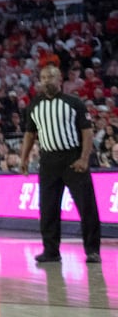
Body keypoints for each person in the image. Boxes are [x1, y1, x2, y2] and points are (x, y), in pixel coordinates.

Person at [21, 63, 101, 264]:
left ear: (60, 80)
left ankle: (92, 250)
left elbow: (87, 132)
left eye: (52, 76)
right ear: (40, 81)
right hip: (48, 161)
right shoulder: (34, 104)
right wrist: (23, 158)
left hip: (72, 158)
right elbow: (30, 134)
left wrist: (84, 158)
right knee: (48, 208)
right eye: (44, 77)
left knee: (86, 206)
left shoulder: (74, 103)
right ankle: (51, 251)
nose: (48, 80)